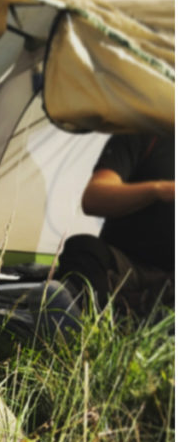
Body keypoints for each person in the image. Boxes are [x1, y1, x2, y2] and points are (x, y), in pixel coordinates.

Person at [56, 134, 173, 317]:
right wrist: (158, 190)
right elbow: (94, 198)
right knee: (84, 250)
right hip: (123, 268)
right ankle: (86, 326)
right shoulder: (141, 135)